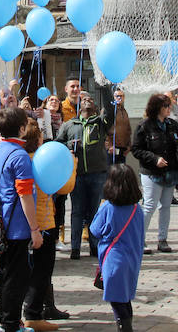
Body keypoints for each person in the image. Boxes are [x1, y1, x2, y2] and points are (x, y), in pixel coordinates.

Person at [0, 107, 43, 332]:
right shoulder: (20, 156)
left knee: (4, 274)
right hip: (17, 225)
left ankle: (7, 321)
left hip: (2, 221)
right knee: (16, 277)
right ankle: (11, 324)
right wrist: (35, 228)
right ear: (21, 128)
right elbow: (24, 196)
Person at [22, 118, 73, 332]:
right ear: (39, 138)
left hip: (29, 222)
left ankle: (42, 307)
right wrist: (73, 166)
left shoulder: (25, 160)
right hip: (44, 222)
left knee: (33, 269)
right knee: (43, 269)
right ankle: (33, 313)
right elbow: (65, 188)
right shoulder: (43, 160)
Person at [56, 91, 116, 259]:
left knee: (95, 211)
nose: (87, 101)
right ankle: (75, 247)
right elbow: (58, 144)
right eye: (84, 100)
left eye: (91, 100)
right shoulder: (70, 125)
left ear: (96, 107)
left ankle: (94, 246)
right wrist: (67, 149)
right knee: (77, 211)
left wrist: (105, 88)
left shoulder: (100, 123)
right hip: (78, 174)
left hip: (97, 174)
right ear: (79, 106)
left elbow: (111, 111)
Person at [90, 164, 144, 332]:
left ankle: (124, 327)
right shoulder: (137, 209)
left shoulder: (108, 208)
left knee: (117, 300)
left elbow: (95, 230)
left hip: (113, 259)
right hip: (133, 258)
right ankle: (126, 324)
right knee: (125, 297)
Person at [131, 94, 178, 254]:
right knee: (149, 205)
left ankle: (163, 239)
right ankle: (140, 239)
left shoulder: (172, 125)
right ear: (158, 108)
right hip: (151, 172)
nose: (169, 109)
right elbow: (136, 149)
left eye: (169, 106)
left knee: (166, 206)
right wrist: (154, 159)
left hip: (170, 172)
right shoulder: (144, 126)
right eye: (166, 106)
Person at [44, 94, 68, 252]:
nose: (54, 102)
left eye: (56, 100)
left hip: (58, 165)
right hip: (44, 164)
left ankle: (57, 237)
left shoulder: (64, 123)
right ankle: (46, 235)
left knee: (59, 203)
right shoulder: (40, 118)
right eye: (50, 100)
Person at [107, 89, 132, 165]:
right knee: (112, 173)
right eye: (117, 96)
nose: (119, 98)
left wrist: (129, 146)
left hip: (123, 149)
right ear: (113, 97)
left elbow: (128, 129)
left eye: (121, 96)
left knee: (121, 173)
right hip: (112, 149)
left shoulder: (124, 111)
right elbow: (104, 129)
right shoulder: (108, 110)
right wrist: (109, 146)